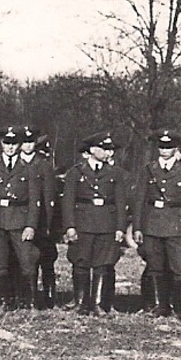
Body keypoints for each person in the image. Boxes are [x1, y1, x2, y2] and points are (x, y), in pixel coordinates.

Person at [130, 130, 181, 321]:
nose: (164, 150)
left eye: (168, 147)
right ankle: (160, 307)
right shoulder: (148, 169)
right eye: (161, 147)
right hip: (152, 223)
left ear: (175, 149)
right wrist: (137, 227)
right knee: (155, 266)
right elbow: (139, 201)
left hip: (177, 224)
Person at [61, 132, 128, 317]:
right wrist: (70, 226)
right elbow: (67, 201)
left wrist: (120, 228)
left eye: (110, 149)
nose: (108, 153)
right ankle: (81, 302)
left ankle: (97, 303)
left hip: (107, 223)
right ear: (92, 150)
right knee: (80, 262)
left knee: (103, 264)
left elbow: (121, 203)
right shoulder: (76, 172)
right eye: (104, 149)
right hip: (83, 223)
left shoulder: (115, 173)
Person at [0, 127, 42, 312]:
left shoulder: (28, 169)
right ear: (1, 144)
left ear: (20, 145)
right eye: (7, 143)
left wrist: (31, 225)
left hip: (19, 221)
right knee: (0, 263)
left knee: (27, 261)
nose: (10, 148)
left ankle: (27, 300)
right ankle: (7, 300)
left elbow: (34, 200)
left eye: (14, 144)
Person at [19, 127, 60, 305]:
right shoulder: (15, 163)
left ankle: (49, 295)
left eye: (30, 142)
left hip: (41, 219)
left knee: (45, 257)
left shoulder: (43, 165)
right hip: (18, 217)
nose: (27, 146)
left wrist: (48, 223)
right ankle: (26, 295)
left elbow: (49, 196)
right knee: (22, 258)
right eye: (24, 142)